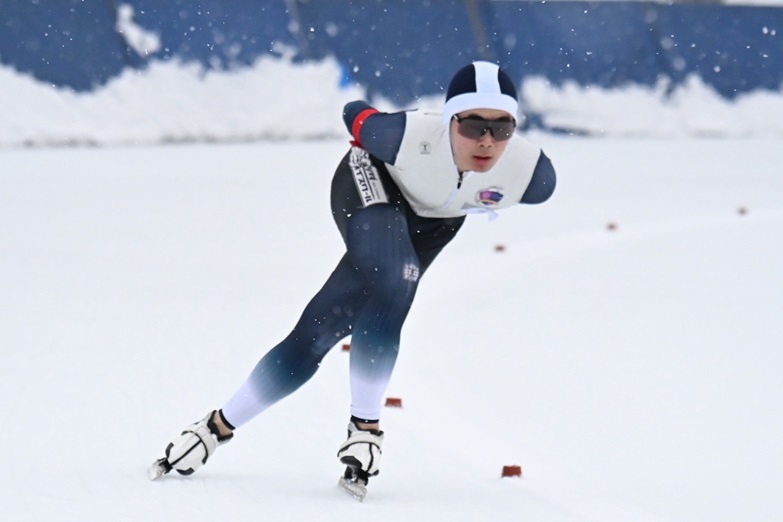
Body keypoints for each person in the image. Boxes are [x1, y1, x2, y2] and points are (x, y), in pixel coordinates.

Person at [149, 61, 556, 499]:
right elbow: (353, 111)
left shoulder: (532, 175)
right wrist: (369, 126)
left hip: (433, 223)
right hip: (373, 180)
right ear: (448, 120)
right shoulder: (404, 136)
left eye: (502, 127)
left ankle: (215, 428)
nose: (487, 141)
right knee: (398, 278)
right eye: (473, 125)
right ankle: (365, 428)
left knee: (318, 331)